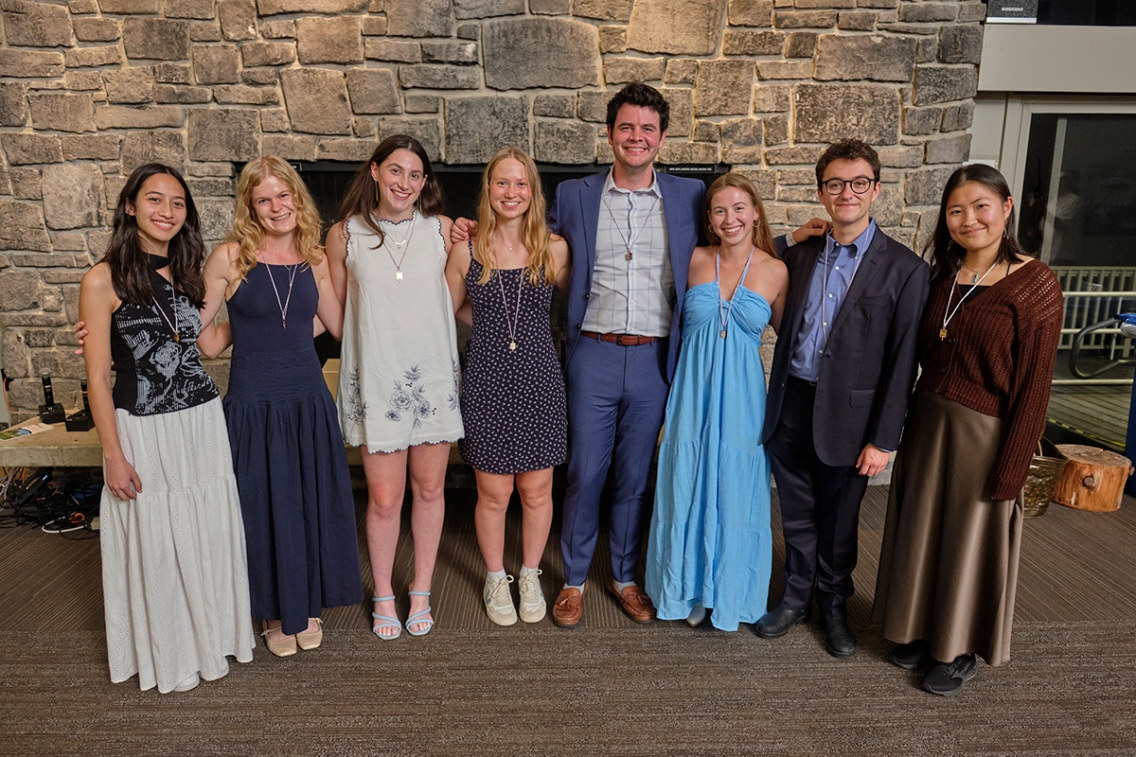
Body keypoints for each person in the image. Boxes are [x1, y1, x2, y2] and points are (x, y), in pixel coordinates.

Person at [872, 164, 1063, 697]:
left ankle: (956, 651)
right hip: (928, 425)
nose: (968, 219)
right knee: (921, 531)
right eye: (956, 210)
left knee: (968, 543)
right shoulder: (940, 276)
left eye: (981, 206)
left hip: (986, 436)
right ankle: (914, 630)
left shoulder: (1035, 284)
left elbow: (1034, 388)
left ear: (1006, 208)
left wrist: (1014, 468)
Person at [79, 163, 255, 693]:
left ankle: (212, 638)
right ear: (130, 206)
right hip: (146, 429)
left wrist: (262, 320)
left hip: (201, 419)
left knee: (206, 530)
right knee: (158, 541)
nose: (167, 212)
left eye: (178, 203)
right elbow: (97, 379)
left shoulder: (188, 271)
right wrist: (113, 454)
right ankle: (170, 654)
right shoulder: (101, 278)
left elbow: (201, 346)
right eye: (155, 200)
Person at [756, 139, 929, 658]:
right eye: (835, 184)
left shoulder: (904, 269)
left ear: (875, 190)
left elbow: (904, 363)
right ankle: (794, 597)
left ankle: (832, 606)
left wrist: (884, 439)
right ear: (821, 192)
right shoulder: (799, 253)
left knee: (838, 521)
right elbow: (747, 258)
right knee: (797, 513)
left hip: (853, 421)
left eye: (858, 183)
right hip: (791, 405)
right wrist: (788, 235)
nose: (846, 193)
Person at [196, 156, 363, 657]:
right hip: (253, 401)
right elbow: (203, 340)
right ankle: (273, 608)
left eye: (283, 195)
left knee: (308, 500)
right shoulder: (230, 257)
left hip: (306, 398)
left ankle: (306, 601)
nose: (276, 206)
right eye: (264, 198)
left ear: (297, 197)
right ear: (250, 205)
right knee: (263, 505)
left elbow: (334, 324)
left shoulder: (313, 257)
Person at [327, 135, 461, 639]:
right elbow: (339, 320)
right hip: (378, 380)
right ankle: (383, 589)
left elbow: (449, 306)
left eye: (415, 174)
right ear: (377, 171)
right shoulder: (344, 235)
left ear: (424, 182)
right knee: (384, 499)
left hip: (431, 379)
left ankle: (420, 588)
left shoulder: (444, 231)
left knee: (429, 490)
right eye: (396, 171)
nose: (405, 182)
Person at [645, 173, 789, 631]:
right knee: (686, 484)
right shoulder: (692, 259)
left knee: (734, 488)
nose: (731, 218)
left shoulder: (776, 270)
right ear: (708, 218)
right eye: (720, 210)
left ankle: (726, 592)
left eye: (740, 208)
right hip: (692, 391)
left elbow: (787, 342)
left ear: (755, 213)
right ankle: (686, 588)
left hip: (744, 397)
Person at [445, 148, 570, 626]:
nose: (511, 193)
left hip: (540, 377)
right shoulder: (466, 250)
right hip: (487, 377)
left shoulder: (553, 248)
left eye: (521, 184)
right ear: (488, 189)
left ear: (533, 191)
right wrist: (495, 325)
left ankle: (531, 573)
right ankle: (496, 576)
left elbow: (578, 303)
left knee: (537, 490)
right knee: (493, 492)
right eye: (502, 183)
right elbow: (451, 309)